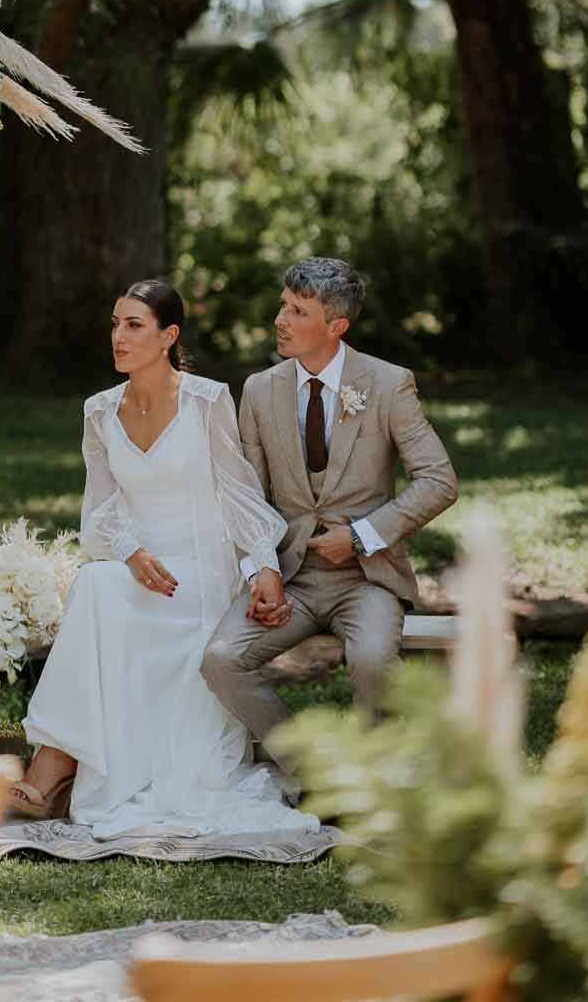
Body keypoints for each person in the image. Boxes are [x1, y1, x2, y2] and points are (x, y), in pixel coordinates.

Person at [10, 278, 316, 838]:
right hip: (140, 566)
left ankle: (55, 767)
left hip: (198, 573)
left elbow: (239, 492)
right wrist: (130, 553)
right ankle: (56, 760)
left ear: (168, 336)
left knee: (102, 594)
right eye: (114, 324)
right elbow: (100, 511)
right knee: (96, 588)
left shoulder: (207, 400)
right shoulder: (100, 412)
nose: (118, 337)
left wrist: (263, 565)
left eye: (134, 325)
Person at [200, 256, 458, 792]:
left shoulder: (388, 384)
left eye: (297, 311)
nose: (280, 319)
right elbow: (247, 495)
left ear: (336, 326)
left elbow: (439, 480)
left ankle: (374, 780)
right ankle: (317, 774)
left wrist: (362, 536)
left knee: (370, 662)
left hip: (366, 580)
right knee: (221, 659)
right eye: (283, 305)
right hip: (289, 577)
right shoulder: (260, 389)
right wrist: (260, 570)